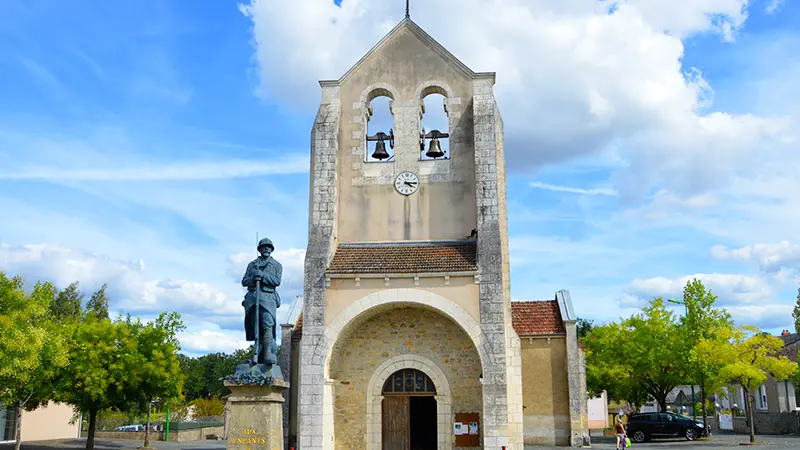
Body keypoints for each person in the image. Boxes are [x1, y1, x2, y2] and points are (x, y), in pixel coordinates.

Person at [241, 237, 283, 366]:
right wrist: (254, 278)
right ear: (259, 249)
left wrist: (263, 276)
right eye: (263, 246)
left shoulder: (276, 265)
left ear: (271, 249)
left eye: (268, 247)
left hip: (268, 297)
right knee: (256, 327)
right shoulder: (252, 264)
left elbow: (277, 281)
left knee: (267, 324)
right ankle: (257, 355)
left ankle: (268, 354)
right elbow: (244, 281)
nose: (266, 248)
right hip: (253, 297)